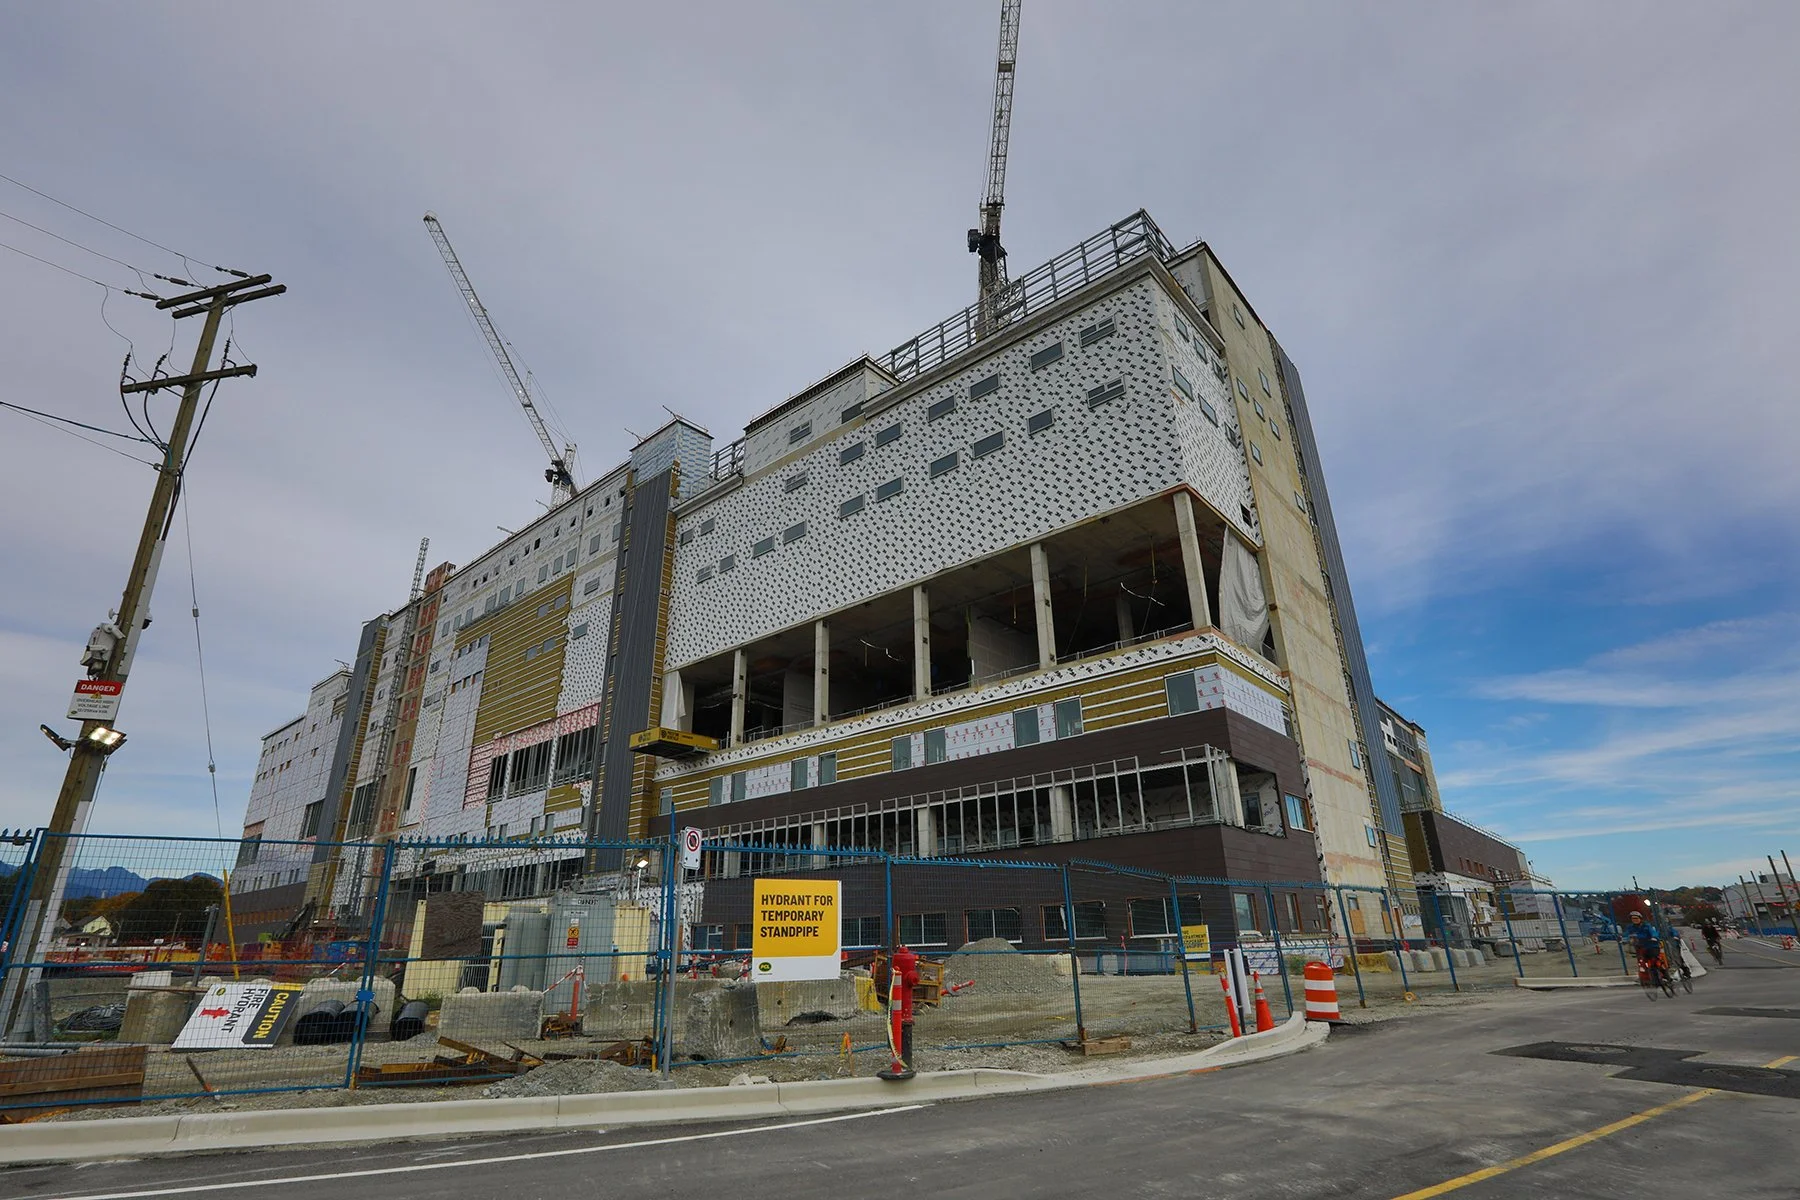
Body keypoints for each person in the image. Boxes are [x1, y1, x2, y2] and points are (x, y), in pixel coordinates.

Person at [1627, 911, 1668, 987]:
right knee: (1642, 963)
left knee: (1655, 961)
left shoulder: (1646, 926)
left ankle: (1665, 975)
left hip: (1652, 946)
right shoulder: (1631, 928)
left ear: (1640, 919)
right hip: (1641, 947)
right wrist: (1626, 940)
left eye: (1636, 918)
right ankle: (1647, 977)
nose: (1635, 920)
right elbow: (1628, 936)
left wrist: (1654, 937)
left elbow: (1653, 932)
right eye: (1633, 919)